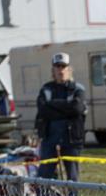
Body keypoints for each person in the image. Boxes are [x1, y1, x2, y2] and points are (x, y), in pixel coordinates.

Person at [35, 52, 86, 183]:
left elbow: (77, 109)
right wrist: (66, 108)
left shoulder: (78, 89)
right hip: (49, 139)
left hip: (72, 139)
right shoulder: (46, 89)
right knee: (43, 176)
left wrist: (52, 104)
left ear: (69, 69)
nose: (60, 70)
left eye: (63, 66)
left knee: (72, 177)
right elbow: (43, 110)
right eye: (57, 66)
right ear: (53, 70)